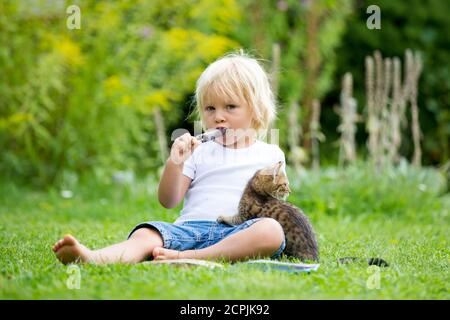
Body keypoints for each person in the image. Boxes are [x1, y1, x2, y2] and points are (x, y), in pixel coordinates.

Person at [52, 51, 288, 265]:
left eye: (230, 107)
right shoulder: (197, 151)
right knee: (146, 234)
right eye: (210, 109)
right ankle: (93, 257)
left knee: (271, 230)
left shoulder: (271, 154)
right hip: (190, 231)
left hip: (238, 232)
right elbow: (168, 200)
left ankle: (190, 257)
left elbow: (276, 207)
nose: (219, 117)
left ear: (255, 109)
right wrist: (175, 162)